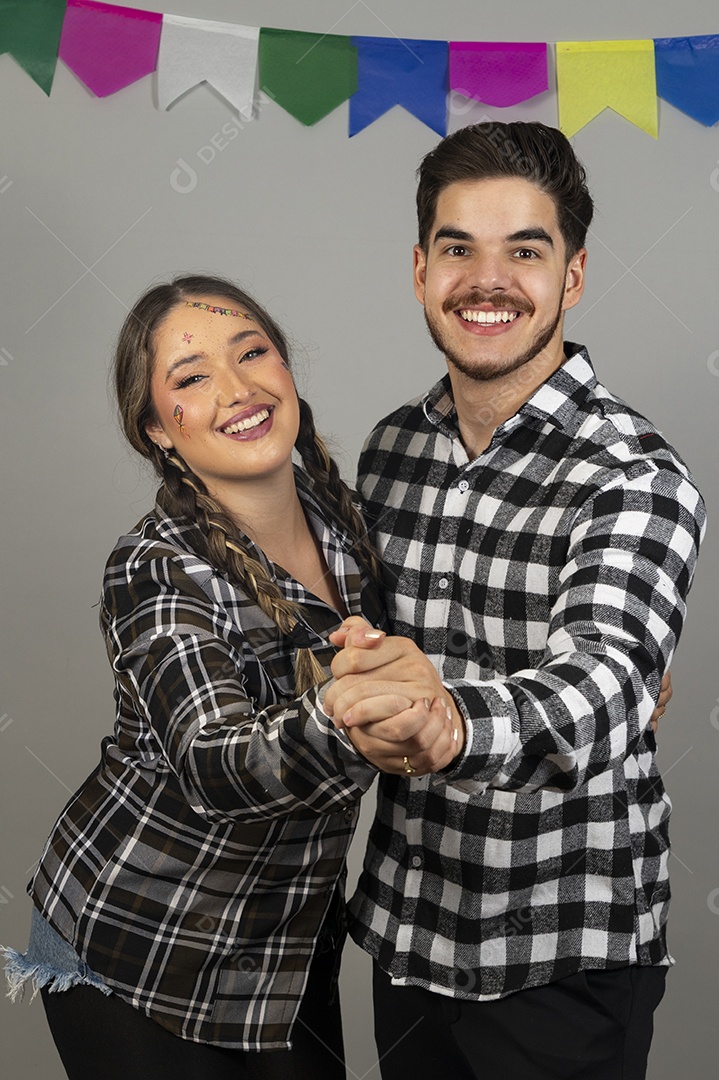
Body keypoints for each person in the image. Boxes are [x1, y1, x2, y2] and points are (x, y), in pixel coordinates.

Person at [2, 274, 459, 1080]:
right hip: (142, 948)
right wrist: (342, 711)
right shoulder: (155, 568)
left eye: (253, 352)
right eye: (191, 378)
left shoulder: (345, 525)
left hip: (280, 945)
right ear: (157, 432)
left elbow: (438, 648)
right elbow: (216, 763)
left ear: (287, 370)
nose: (238, 389)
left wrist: (606, 678)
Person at [323, 122, 705, 1080]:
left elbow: (606, 679)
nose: (485, 281)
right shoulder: (392, 451)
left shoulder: (634, 474)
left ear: (570, 277)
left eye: (523, 251)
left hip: (558, 947)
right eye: (458, 248)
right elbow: (355, 634)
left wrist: (451, 723)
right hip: (409, 927)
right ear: (420, 269)